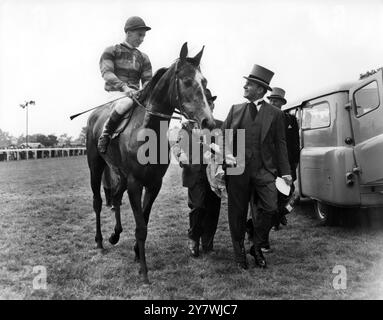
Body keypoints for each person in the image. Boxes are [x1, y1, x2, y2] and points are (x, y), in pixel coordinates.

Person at [222, 64, 291, 269]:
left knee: (271, 208)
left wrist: (286, 172)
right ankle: (239, 253)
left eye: (249, 84)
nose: (244, 86)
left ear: (260, 89)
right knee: (237, 212)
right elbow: (224, 137)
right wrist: (224, 158)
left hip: (264, 169)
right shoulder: (235, 110)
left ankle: (257, 245)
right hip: (238, 168)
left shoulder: (275, 114)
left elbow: (280, 144)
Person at [173, 89, 222, 257]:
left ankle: (208, 243)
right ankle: (193, 238)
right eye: (204, 104)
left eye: (210, 103)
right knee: (198, 207)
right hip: (195, 174)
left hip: (215, 176)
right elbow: (177, 145)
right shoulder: (187, 126)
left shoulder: (220, 125)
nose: (208, 106)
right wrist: (181, 155)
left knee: (213, 210)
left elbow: (227, 148)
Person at [98, 16, 152, 153]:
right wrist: (124, 87)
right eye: (139, 35)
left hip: (136, 95)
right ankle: (106, 134)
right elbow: (107, 73)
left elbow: (147, 81)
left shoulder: (144, 58)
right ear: (128, 33)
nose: (142, 39)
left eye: (144, 36)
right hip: (116, 94)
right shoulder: (111, 50)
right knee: (125, 103)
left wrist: (144, 91)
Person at [267, 87, 300, 229]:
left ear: (281, 103)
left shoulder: (290, 119)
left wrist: (294, 162)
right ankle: (275, 221)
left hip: (288, 164)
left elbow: (295, 143)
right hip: (271, 164)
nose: (273, 103)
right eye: (271, 100)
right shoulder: (266, 119)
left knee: (289, 195)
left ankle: (281, 214)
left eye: (276, 100)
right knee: (272, 195)